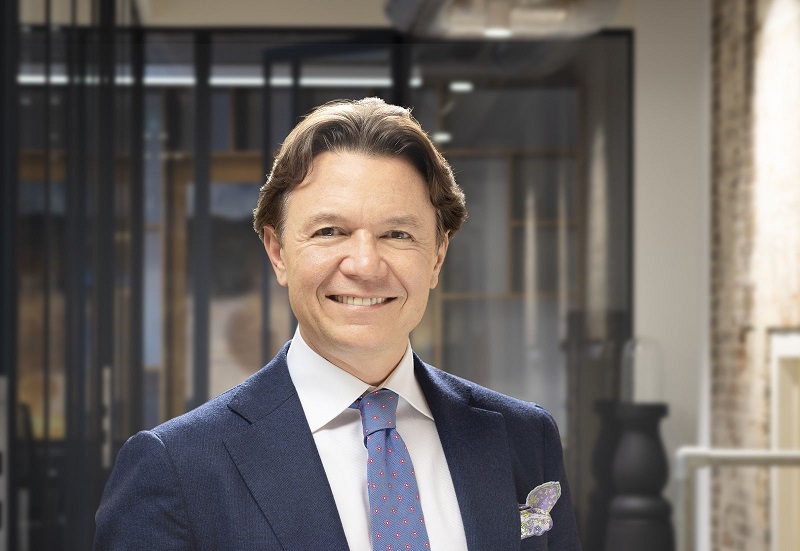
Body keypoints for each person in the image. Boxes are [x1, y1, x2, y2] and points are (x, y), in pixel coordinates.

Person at [94, 97, 582, 551]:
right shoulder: (176, 469)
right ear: (278, 252)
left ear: (437, 256)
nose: (365, 266)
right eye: (330, 231)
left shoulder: (523, 437)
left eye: (397, 234)